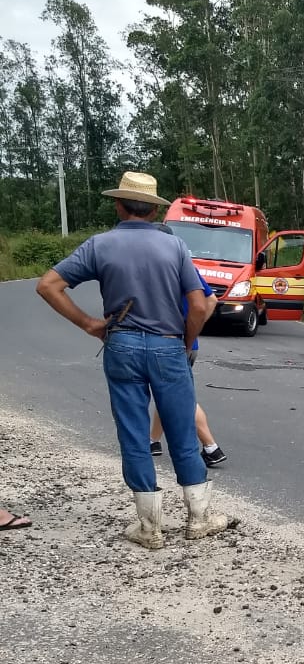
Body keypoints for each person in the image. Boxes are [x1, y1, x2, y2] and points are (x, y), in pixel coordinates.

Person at [35, 171, 232, 549]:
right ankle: (199, 519)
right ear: (154, 210)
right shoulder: (174, 247)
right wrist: (185, 341)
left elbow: (48, 285)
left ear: (119, 205)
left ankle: (149, 527)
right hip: (168, 346)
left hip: (122, 345)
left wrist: (90, 324)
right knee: (181, 431)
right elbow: (199, 304)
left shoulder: (99, 245)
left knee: (134, 433)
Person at [149, 271, 226, 468]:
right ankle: (153, 442)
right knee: (166, 391)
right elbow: (211, 300)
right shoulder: (185, 268)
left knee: (182, 397)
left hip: (173, 344)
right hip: (188, 344)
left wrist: (186, 337)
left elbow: (210, 301)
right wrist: (192, 333)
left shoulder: (163, 270)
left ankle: (211, 447)